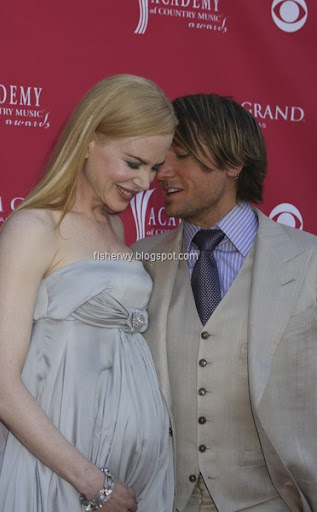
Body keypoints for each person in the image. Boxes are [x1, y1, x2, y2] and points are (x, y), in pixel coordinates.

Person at [0, 74, 177, 512]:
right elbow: (0, 386)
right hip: (62, 481)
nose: (145, 183)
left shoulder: (116, 227)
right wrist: (94, 484)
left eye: (154, 167)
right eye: (133, 162)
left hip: (133, 483)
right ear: (89, 139)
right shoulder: (33, 229)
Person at [133, 94, 317, 512]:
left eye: (181, 155)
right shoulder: (139, 261)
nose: (162, 172)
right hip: (164, 500)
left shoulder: (309, 263)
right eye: (162, 157)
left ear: (234, 164)